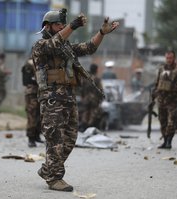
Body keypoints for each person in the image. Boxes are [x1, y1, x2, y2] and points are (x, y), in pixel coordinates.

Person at [32, 8, 119, 191]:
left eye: (63, 24)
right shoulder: (41, 46)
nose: (62, 27)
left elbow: (89, 47)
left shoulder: (66, 48)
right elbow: (54, 43)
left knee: (70, 138)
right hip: (52, 100)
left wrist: (102, 32)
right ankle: (54, 178)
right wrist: (73, 25)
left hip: (69, 99)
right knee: (55, 138)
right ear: (47, 26)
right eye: (58, 24)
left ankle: (48, 168)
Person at [151, 50, 177, 149]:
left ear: (174, 58)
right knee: (162, 121)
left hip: (173, 100)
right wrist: (154, 94)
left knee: (172, 121)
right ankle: (165, 141)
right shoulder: (161, 69)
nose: (168, 60)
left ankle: (169, 141)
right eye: (167, 58)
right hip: (161, 100)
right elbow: (157, 83)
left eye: (170, 58)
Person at [21, 58, 43, 147]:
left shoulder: (41, 62)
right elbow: (27, 81)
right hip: (32, 93)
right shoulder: (30, 64)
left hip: (40, 92)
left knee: (40, 114)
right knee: (32, 115)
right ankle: (31, 138)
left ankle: (37, 135)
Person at [79, 63, 104, 131]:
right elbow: (100, 90)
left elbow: (81, 88)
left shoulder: (85, 78)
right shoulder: (97, 79)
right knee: (93, 112)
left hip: (86, 98)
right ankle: (90, 125)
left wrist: (82, 97)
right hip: (94, 99)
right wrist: (101, 98)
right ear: (96, 70)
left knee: (86, 111)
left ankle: (84, 125)